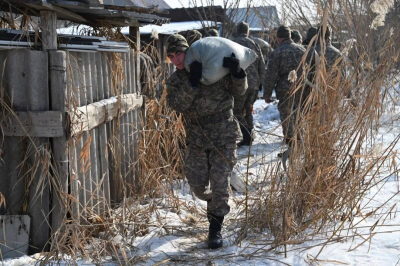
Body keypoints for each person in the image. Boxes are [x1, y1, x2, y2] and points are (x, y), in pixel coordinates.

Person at [165, 34, 248, 249]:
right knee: (197, 185)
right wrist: (191, 84)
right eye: (171, 56)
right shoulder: (174, 81)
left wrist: (238, 73)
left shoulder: (214, 68)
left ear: (189, 50)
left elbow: (239, 92)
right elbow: (177, 105)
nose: (176, 60)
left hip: (224, 134)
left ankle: (215, 228)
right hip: (197, 138)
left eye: (179, 54)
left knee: (220, 182)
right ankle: (212, 203)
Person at [264, 25, 315, 146]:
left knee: (287, 115)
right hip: (302, 87)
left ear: (279, 38)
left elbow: (271, 75)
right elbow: (310, 70)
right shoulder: (303, 50)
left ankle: (291, 141)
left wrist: (267, 93)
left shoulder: (276, 53)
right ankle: (300, 139)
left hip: (284, 88)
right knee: (299, 113)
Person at [233, 21, 266, 146]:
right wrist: (261, 83)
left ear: (237, 30)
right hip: (254, 84)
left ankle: (246, 136)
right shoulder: (254, 44)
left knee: (237, 111)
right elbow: (262, 65)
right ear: (247, 31)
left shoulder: (233, 43)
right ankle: (249, 134)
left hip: (239, 83)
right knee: (248, 109)